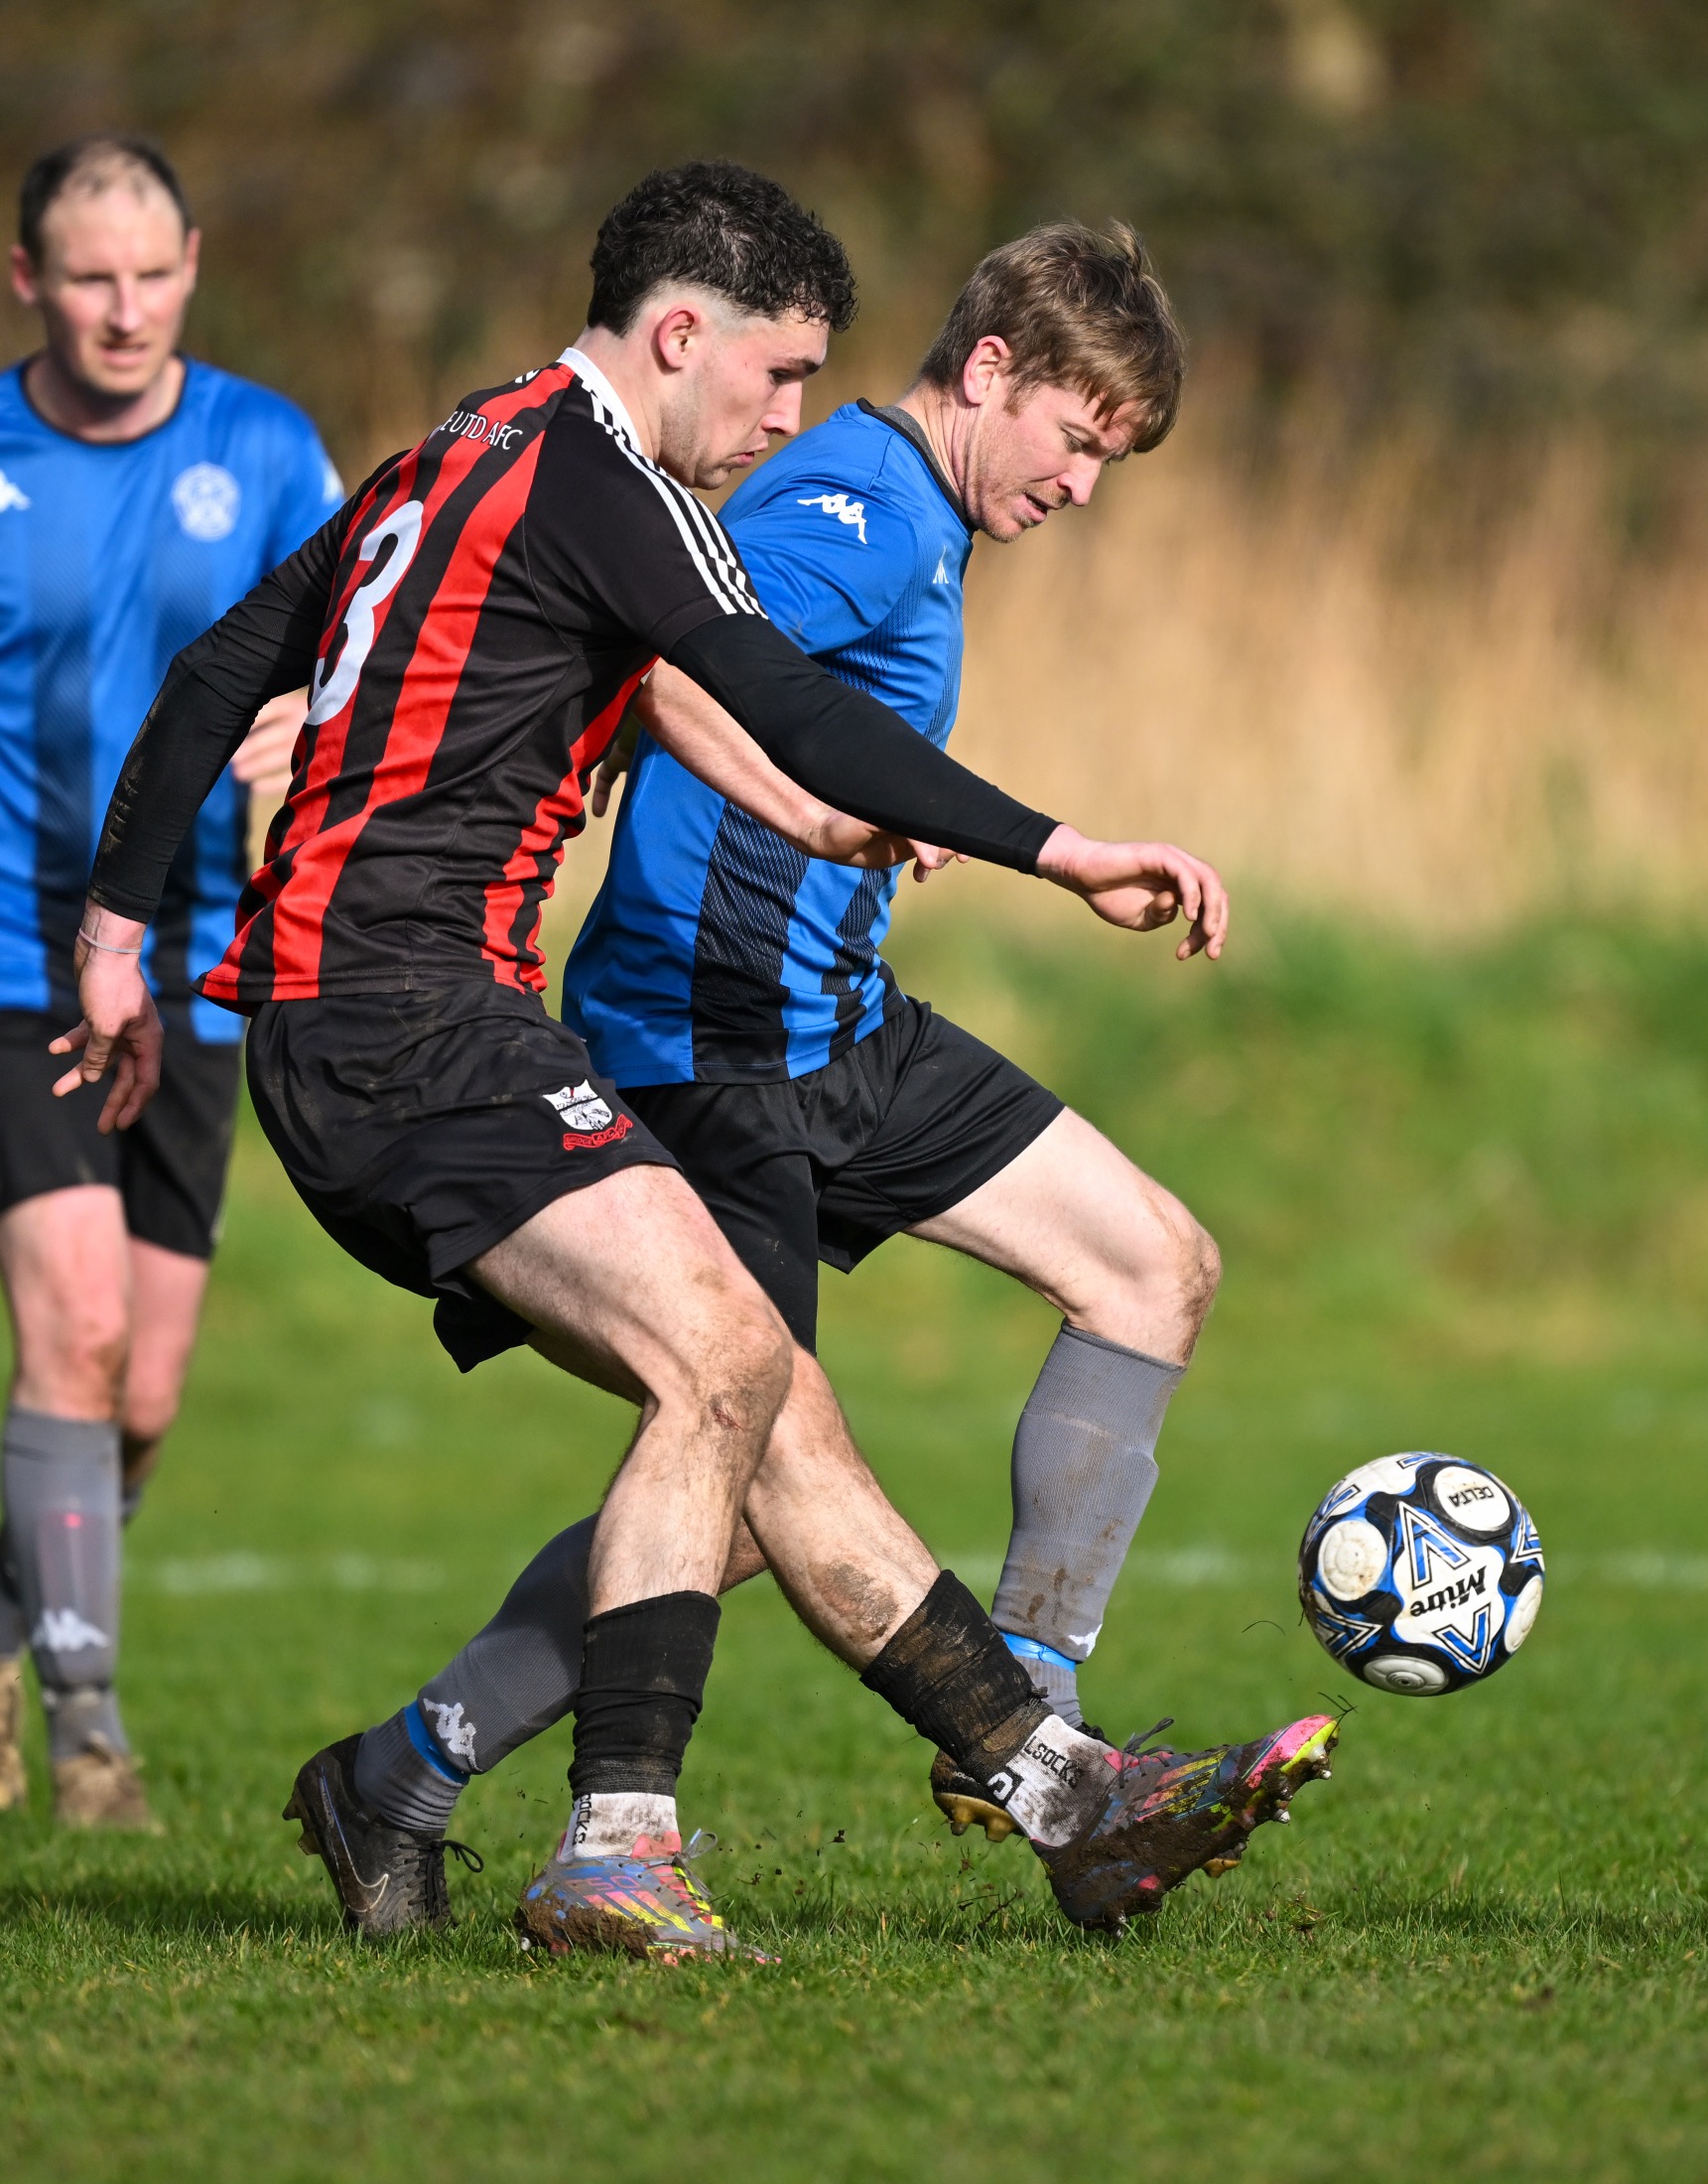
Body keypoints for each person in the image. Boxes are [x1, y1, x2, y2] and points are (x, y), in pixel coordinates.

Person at [64, 162, 1337, 1958]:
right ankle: (618, 1845)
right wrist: (1063, 851)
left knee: (759, 1398)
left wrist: (115, 939)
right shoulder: (615, 483)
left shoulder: (465, 447)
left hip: (405, 1014)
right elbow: (775, 684)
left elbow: (221, 673)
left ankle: (1064, 1793)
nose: (794, 415)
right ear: (680, 335)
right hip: (413, 1018)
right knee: (733, 1365)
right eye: (779, 372)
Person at [368, 217, 1242, 1860]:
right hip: (707, 1038)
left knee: (1152, 1266)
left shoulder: (916, 521)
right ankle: (407, 1768)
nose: (1083, 485)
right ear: (991, 368)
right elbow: (660, 656)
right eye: (1076, 439)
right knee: (746, 1473)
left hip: (838, 1024)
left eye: (1111, 462)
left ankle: (1034, 1699)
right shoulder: (858, 511)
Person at [0, 134, 341, 1828]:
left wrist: (303, 718)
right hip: (18, 960)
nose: (124, 309)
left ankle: (15, 1624)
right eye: (89, 278)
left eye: (152, 274)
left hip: (201, 974)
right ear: (28, 283)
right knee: (72, 1327)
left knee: (141, 1392)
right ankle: (85, 1737)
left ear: (194, 265)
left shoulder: (267, 448)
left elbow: (361, 651)